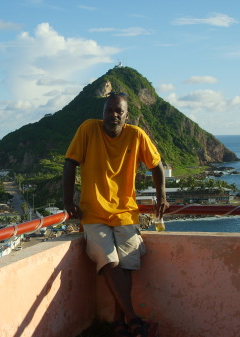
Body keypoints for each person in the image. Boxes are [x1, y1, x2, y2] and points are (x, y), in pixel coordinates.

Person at [62, 92, 169, 337]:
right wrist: (68, 200)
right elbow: (69, 163)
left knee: (128, 263)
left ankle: (119, 320)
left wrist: (161, 195)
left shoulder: (136, 135)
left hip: (125, 212)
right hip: (94, 212)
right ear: (102, 113)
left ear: (126, 115)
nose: (113, 115)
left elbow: (156, 165)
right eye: (109, 110)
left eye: (118, 111)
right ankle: (132, 318)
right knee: (110, 261)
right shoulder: (88, 129)